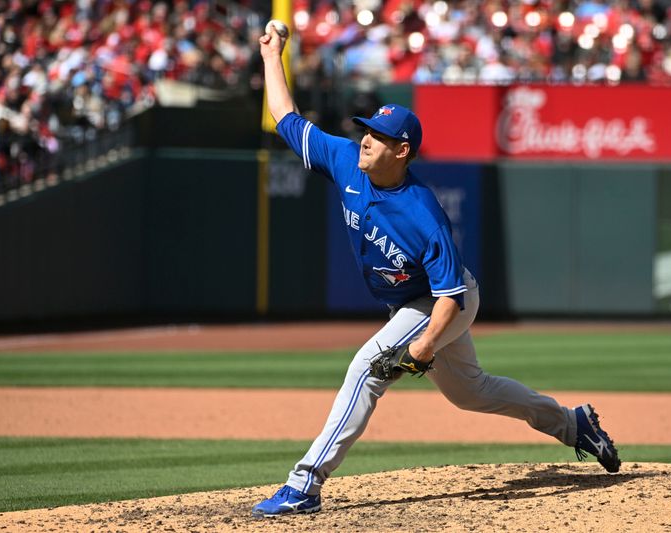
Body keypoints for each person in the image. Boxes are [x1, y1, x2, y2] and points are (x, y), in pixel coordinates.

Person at [252, 22, 621, 518]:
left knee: (364, 370)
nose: (364, 140)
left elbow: (450, 297)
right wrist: (273, 57)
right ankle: (574, 424)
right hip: (411, 303)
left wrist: (423, 347)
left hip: (443, 301)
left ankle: (305, 483)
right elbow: (286, 117)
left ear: (402, 151)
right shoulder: (344, 158)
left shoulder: (423, 214)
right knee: (472, 392)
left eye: (377, 136)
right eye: (365, 130)